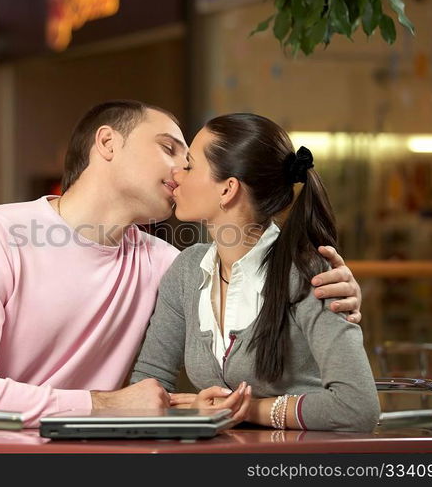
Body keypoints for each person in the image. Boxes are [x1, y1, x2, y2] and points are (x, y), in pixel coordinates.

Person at [0, 101, 363, 427]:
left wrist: (339, 290)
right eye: (170, 149)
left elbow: (259, 274)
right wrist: (110, 405)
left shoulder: (168, 265)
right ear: (107, 142)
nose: (180, 170)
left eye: (190, 161)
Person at [130, 113, 379, 432]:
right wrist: (198, 409)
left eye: (190, 165)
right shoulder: (188, 271)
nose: (178, 173)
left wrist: (243, 410)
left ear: (227, 189)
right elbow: (147, 389)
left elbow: (356, 406)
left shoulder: (308, 274)